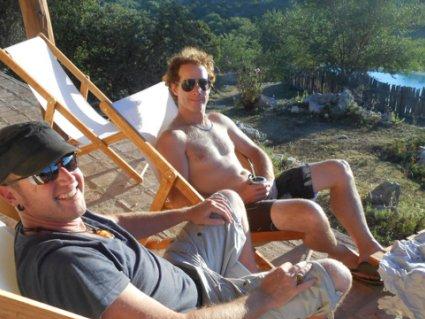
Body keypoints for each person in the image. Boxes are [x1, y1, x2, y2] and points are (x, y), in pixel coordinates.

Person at [0, 122, 351, 319]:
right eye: (44, 173)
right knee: (336, 276)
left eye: (68, 160)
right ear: (9, 194)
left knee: (226, 201)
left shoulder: (58, 217)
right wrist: (264, 297)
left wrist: (188, 213)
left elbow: (116, 222)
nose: (68, 178)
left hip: (184, 277)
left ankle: (250, 296)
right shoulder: (67, 265)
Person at [157, 47, 384, 281]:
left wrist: (266, 180)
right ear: (174, 88)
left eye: (203, 83)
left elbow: (257, 153)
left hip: (263, 190)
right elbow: (180, 201)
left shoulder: (219, 120)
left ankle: (369, 248)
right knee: (312, 214)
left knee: (339, 169)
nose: (198, 90)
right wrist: (239, 196)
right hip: (238, 213)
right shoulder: (174, 138)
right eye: (189, 84)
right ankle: (343, 256)